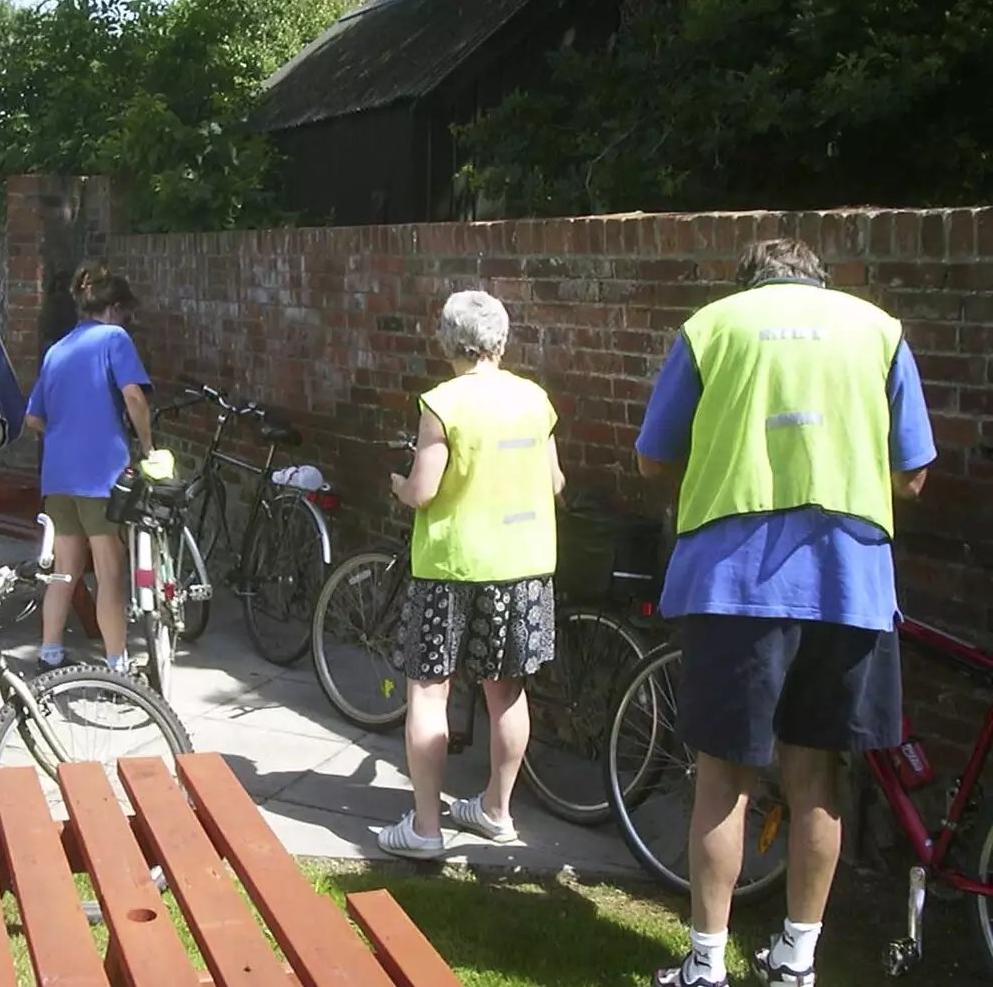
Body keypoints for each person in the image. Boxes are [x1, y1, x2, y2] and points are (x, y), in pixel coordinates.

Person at [635, 238, 935, 987]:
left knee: (722, 778)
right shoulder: (878, 330)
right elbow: (916, 474)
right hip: (847, 580)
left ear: (749, 282)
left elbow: (651, 459)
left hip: (734, 583)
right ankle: (797, 961)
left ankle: (705, 965)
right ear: (819, 281)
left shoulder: (713, 327)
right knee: (817, 778)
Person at [376, 288, 565, 860]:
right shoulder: (536, 400)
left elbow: (424, 490)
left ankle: (427, 829)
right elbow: (556, 484)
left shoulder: (443, 403)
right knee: (506, 694)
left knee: (429, 694)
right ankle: (497, 811)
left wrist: (398, 488)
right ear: (501, 341)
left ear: (447, 341)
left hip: (452, 568)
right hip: (524, 566)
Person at [23, 266, 153, 675]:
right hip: (101, 473)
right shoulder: (114, 339)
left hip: (58, 474)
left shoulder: (56, 350)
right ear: (114, 308)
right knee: (110, 570)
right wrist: (147, 447)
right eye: (126, 311)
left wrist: (68, 431)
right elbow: (133, 396)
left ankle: (49, 653)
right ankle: (118, 665)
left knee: (65, 569)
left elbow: (34, 419)